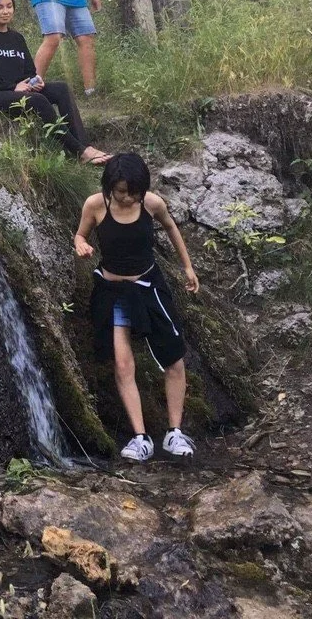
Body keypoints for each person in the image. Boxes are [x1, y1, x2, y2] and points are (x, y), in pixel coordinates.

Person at [74, 153, 199, 463]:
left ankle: (174, 432)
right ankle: (140, 437)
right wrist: (81, 244)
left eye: (133, 192)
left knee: (174, 358)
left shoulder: (151, 203)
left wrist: (187, 268)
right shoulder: (95, 205)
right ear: (109, 187)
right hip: (113, 292)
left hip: (148, 286)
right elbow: (80, 234)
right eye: (121, 191)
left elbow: (171, 229)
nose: (127, 197)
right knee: (122, 363)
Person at [0, 0, 110, 164]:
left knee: (61, 88)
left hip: (20, 89)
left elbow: (29, 71)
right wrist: (13, 87)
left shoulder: (16, 38)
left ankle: (85, 144)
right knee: (37, 100)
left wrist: (35, 81)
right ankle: (79, 151)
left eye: (9, 6)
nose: (5, 11)